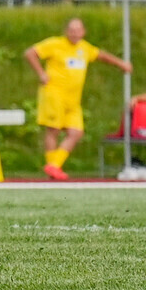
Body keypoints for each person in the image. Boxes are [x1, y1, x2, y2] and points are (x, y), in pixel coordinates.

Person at [28, 17, 125, 180]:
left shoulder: (84, 48)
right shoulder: (55, 44)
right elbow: (30, 53)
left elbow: (101, 55)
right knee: (53, 130)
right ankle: (53, 167)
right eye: (72, 30)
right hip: (54, 94)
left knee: (76, 132)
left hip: (73, 99)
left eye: (78, 30)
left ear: (83, 32)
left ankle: (54, 165)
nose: (75, 33)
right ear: (66, 31)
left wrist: (121, 64)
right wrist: (41, 73)